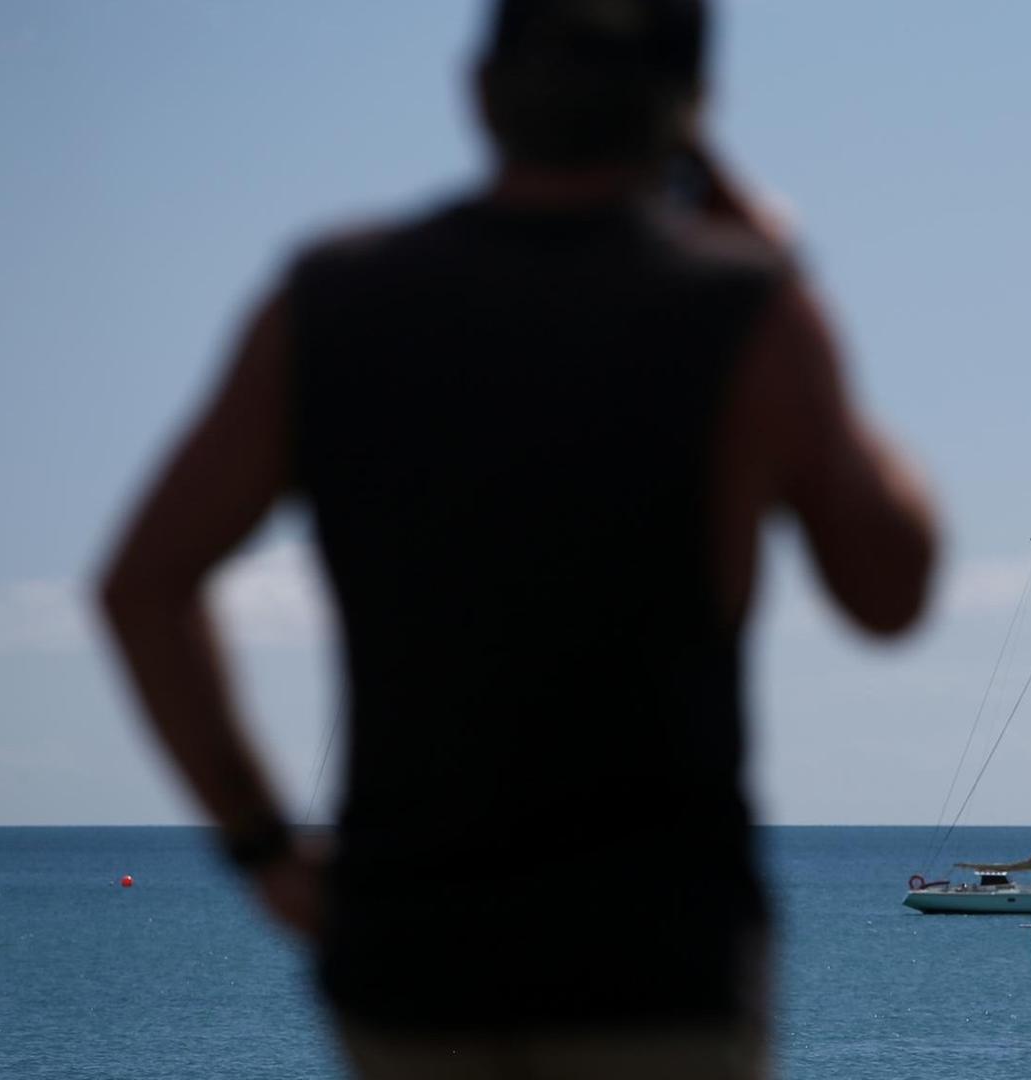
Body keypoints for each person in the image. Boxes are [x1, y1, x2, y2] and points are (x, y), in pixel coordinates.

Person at [95, 1, 937, 1076]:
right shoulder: (737, 309)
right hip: (657, 966)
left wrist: (262, 847)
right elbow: (889, 589)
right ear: (687, 113)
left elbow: (144, 586)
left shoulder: (332, 301)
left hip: (411, 964)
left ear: (480, 92)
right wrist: (789, 272)